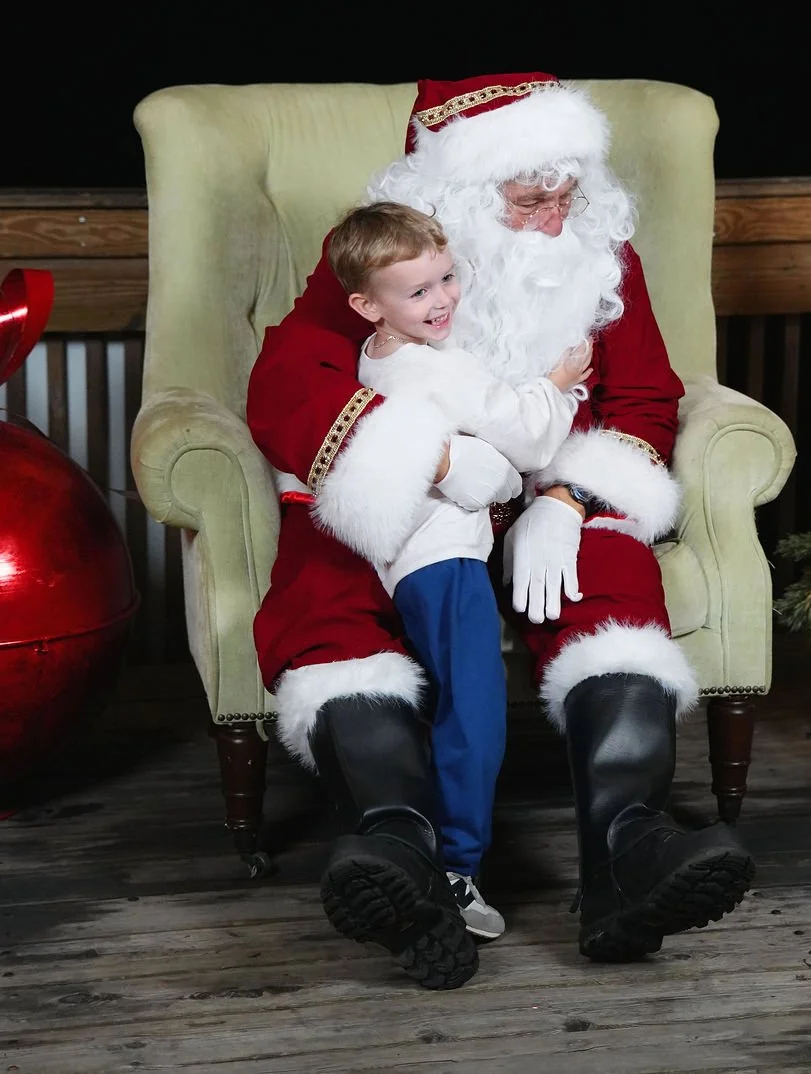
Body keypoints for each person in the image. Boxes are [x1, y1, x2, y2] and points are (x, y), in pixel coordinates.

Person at [247, 72, 755, 992]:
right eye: (528, 200)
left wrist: (568, 502)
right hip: (429, 489)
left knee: (610, 580)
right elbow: (289, 375)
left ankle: (626, 853)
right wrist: (429, 461)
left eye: (566, 193)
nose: (555, 217)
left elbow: (643, 394)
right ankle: (399, 847)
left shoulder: (602, 255)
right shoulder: (384, 254)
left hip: (545, 482)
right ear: (460, 198)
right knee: (332, 584)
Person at [325, 199, 592, 941]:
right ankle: (455, 867)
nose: (441, 300)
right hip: (440, 555)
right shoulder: (438, 371)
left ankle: (423, 852)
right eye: (417, 292)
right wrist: (560, 382)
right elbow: (531, 442)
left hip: (409, 555)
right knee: (474, 706)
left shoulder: (376, 352)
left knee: (451, 698)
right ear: (363, 303)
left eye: (446, 278)